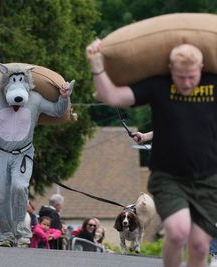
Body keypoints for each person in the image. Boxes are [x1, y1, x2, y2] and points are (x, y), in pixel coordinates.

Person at [86, 40, 217, 267]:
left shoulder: (212, 88)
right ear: (170, 70)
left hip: (206, 177)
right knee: (176, 233)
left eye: (191, 76)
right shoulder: (159, 87)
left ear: (202, 68)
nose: (186, 83)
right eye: (180, 76)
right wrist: (97, 65)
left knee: (199, 244)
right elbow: (112, 96)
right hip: (168, 176)